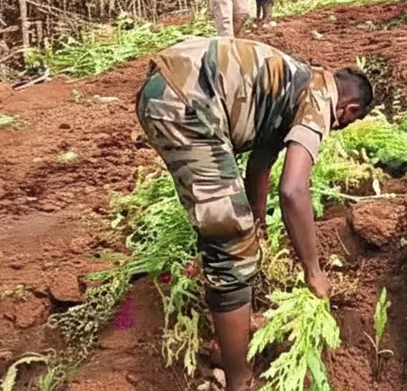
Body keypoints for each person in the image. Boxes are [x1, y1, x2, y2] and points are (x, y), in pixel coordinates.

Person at [135, 37, 375, 391]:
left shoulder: (296, 82)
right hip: (187, 102)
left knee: (239, 234)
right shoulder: (322, 101)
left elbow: (261, 167)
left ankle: (231, 327)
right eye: (348, 120)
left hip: (172, 86)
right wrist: (314, 271)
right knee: (231, 246)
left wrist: (259, 229)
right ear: (350, 110)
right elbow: (293, 189)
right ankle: (239, 380)